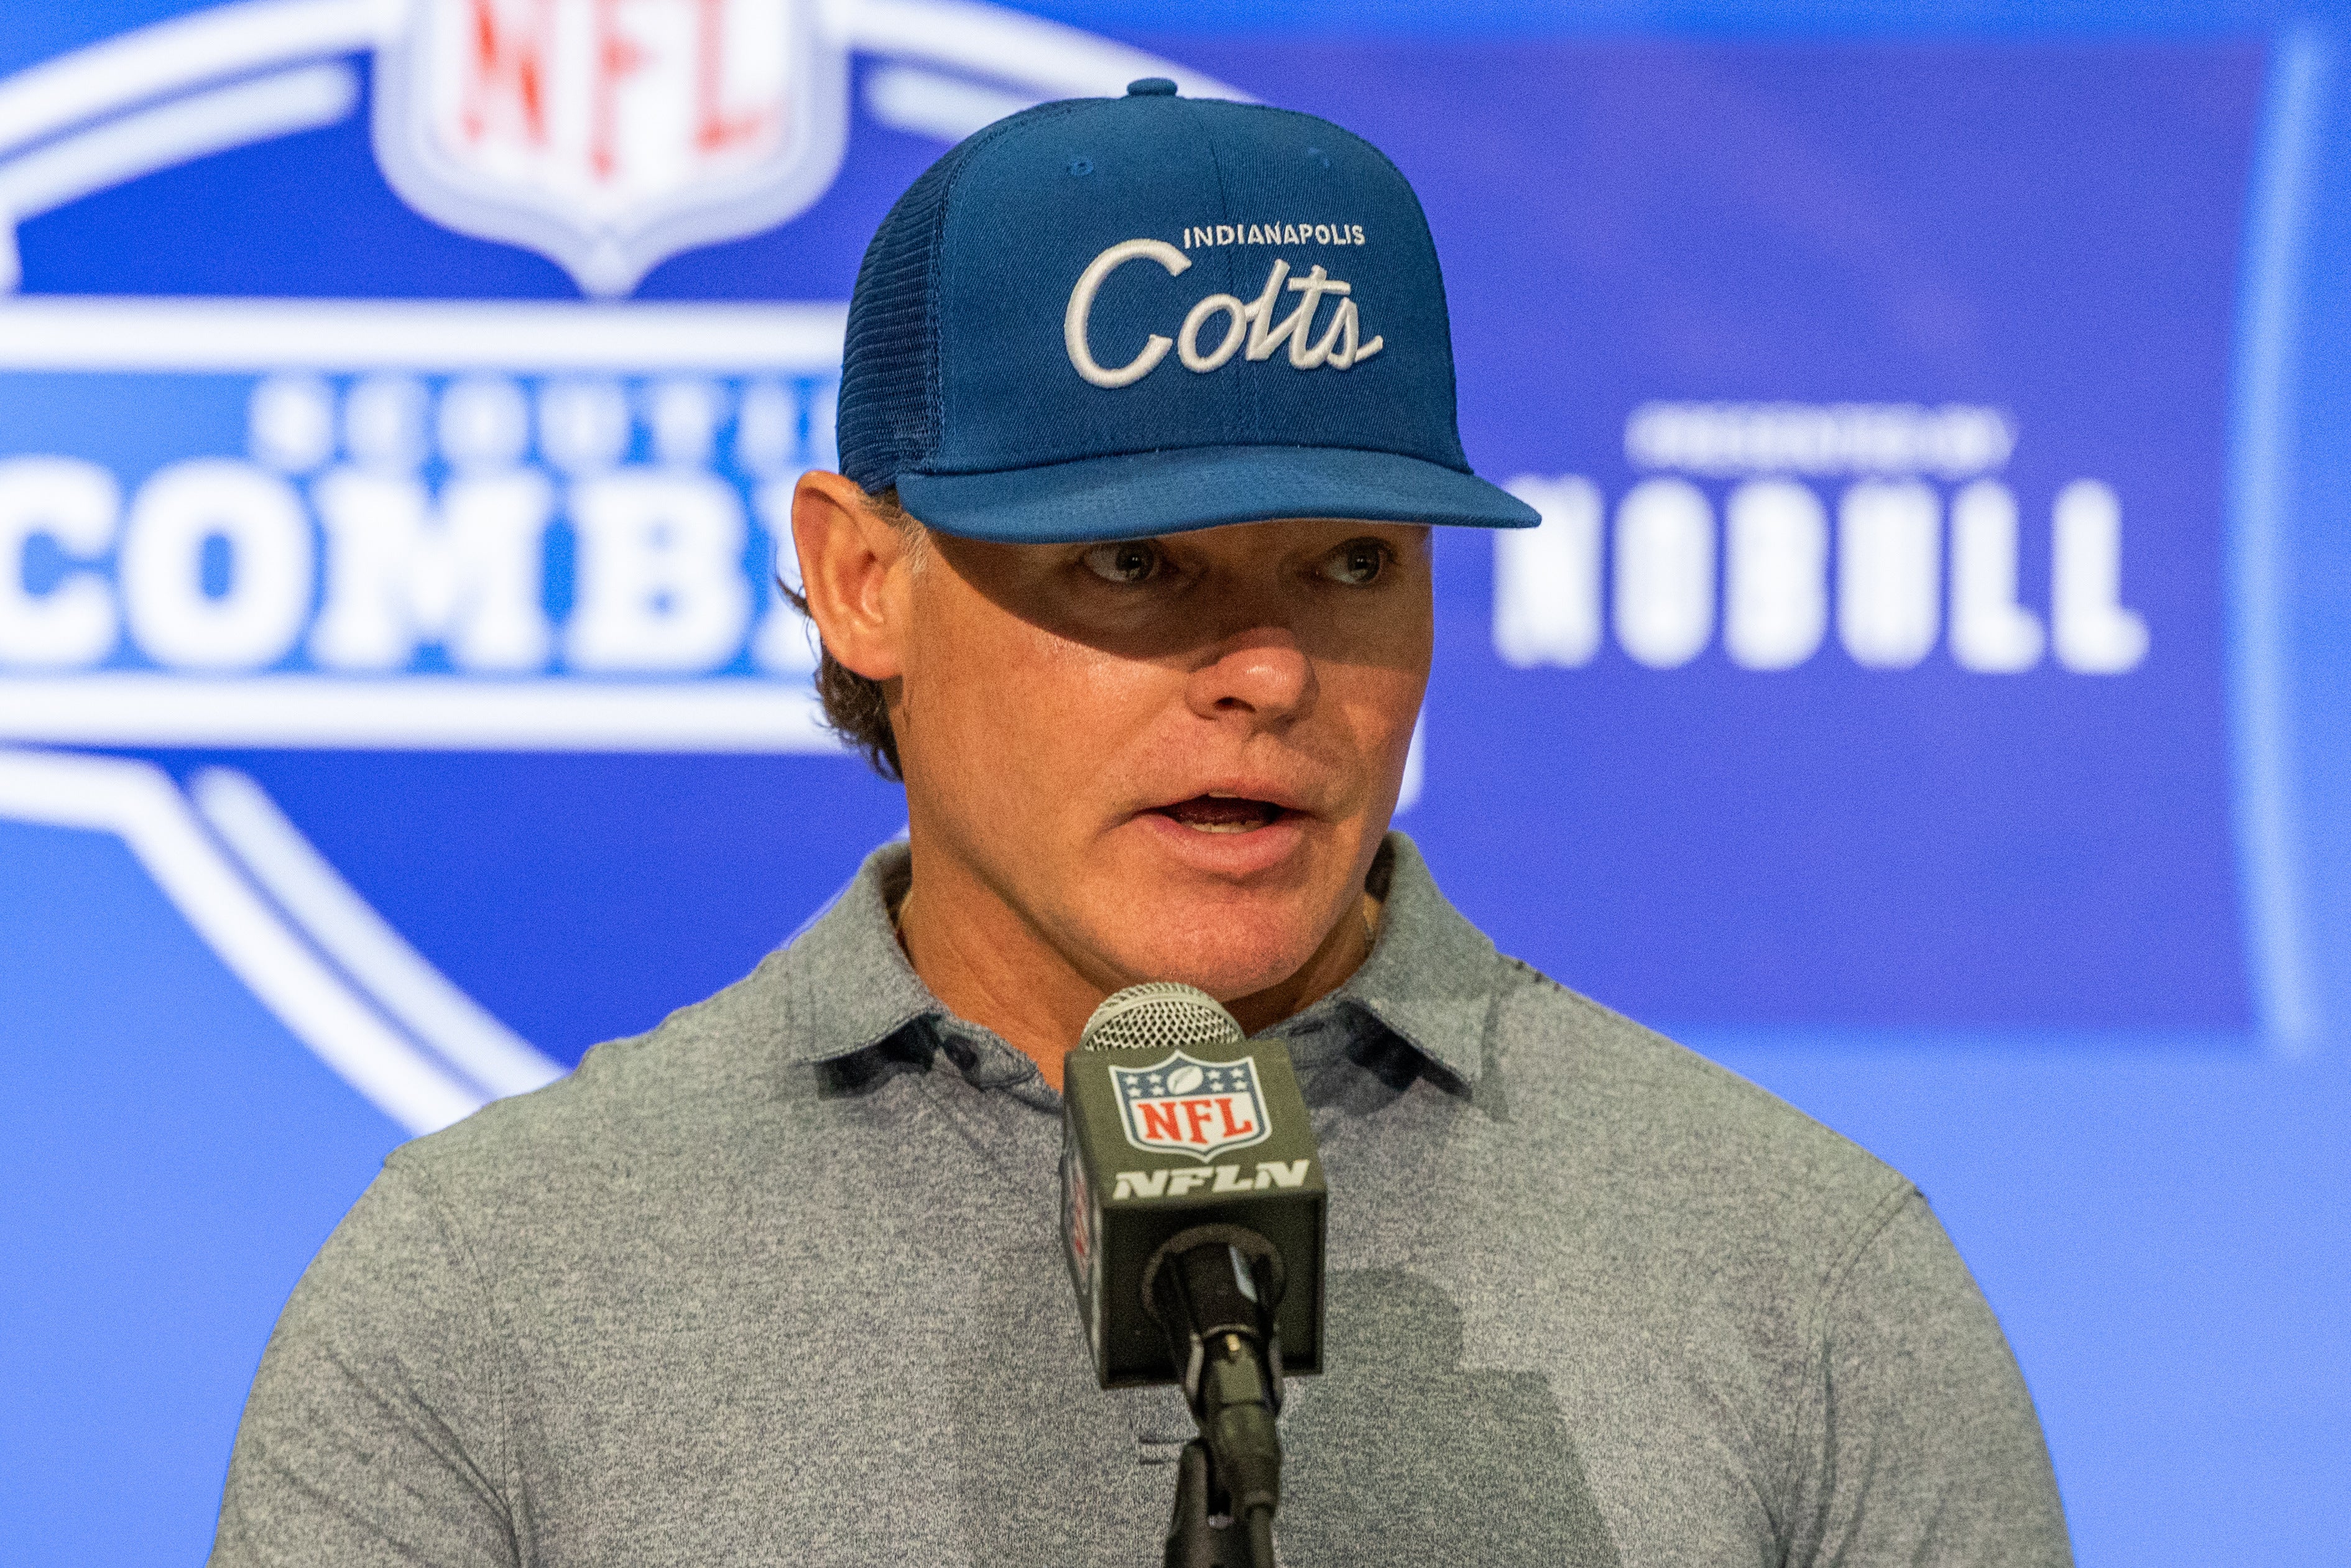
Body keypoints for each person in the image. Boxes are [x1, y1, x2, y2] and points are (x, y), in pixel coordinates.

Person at [211, 82, 2071, 1567]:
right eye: (1131, 560)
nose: (1269, 670)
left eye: (1352, 559)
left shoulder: (1806, 1282)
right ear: (862, 578)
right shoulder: (489, 1292)